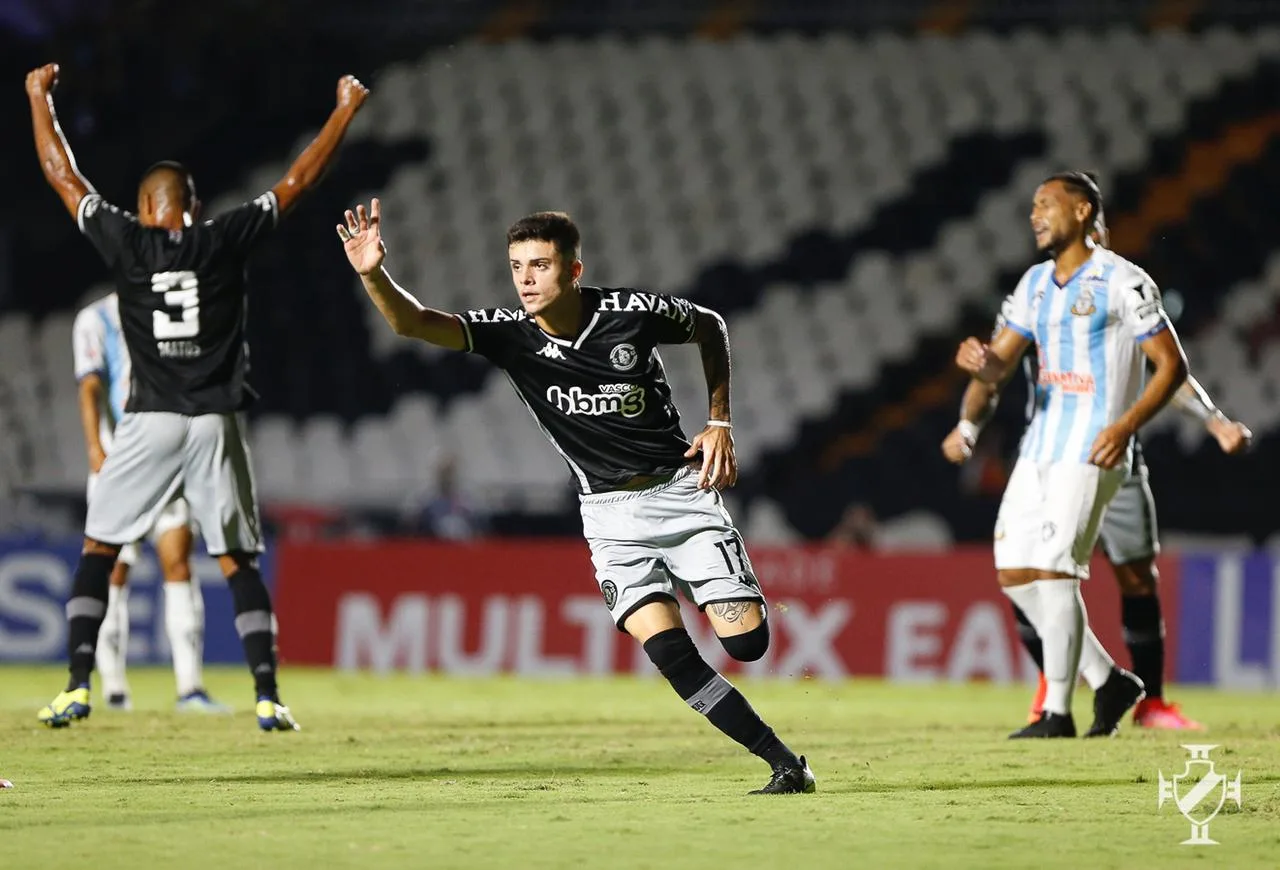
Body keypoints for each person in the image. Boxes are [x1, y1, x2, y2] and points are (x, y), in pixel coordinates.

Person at [337, 201, 815, 794]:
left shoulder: (631, 313)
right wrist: (372, 273)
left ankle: (716, 584)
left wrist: (720, 421)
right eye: (517, 266)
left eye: (540, 265)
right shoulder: (508, 335)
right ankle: (784, 763)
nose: (526, 279)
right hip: (608, 518)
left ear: (575, 270)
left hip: (680, 497)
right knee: (671, 656)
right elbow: (413, 323)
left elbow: (710, 324)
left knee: (746, 643)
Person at [27, 62, 369, 730]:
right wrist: (344, 111)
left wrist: (39, 98)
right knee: (235, 557)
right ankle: (268, 694)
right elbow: (298, 181)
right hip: (215, 419)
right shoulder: (223, 239)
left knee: (100, 548)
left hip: (149, 419)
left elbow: (60, 175)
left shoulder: (127, 241)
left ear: (146, 208)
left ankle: (76, 685)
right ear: (196, 205)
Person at [943, 205, 1252, 731]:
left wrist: (1214, 421)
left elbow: (1166, 368)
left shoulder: (1119, 286)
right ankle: (1080, 683)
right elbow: (993, 367)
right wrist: (968, 423)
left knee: (1130, 574)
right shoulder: (1036, 290)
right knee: (1028, 570)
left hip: (1111, 454)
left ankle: (1141, 701)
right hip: (1045, 452)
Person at [74, 291, 231, 713]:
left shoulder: (171, 305)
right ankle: (114, 689)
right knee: (114, 570)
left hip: (170, 454)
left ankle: (190, 688)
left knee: (177, 562)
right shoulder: (97, 318)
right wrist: (95, 449)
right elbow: (90, 386)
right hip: (121, 459)